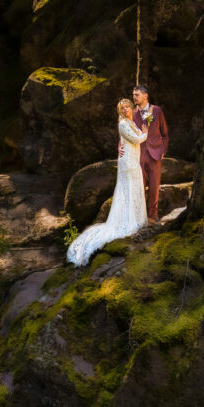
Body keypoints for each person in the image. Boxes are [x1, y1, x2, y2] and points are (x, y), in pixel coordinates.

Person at [66, 99, 148, 268]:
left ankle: (136, 219)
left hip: (133, 158)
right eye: (122, 108)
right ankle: (128, 222)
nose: (125, 109)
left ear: (131, 108)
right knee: (128, 189)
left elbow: (131, 139)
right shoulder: (123, 124)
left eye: (127, 107)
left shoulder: (131, 122)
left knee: (135, 188)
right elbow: (135, 139)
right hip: (128, 161)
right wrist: (145, 134)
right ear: (120, 111)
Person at [131, 83, 168, 222]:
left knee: (154, 185)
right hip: (139, 154)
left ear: (145, 96)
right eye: (133, 95)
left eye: (137, 95)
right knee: (139, 185)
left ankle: (153, 215)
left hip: (155, 154)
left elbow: (165, 134)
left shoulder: (157, 111)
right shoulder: (132, 113)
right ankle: (139, 216)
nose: (134, 97)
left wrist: (163, 150)